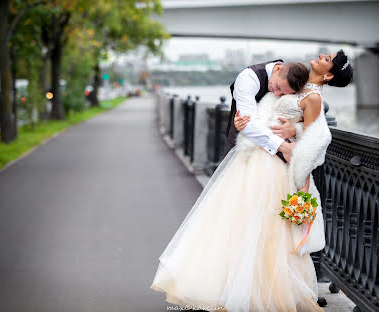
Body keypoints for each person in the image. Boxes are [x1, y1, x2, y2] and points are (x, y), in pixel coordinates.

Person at [150, 50, 353, 312]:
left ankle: (261, 291)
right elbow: (272, 109)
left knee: (267, 229)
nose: (323, 55)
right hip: (258, 156)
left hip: (276, 164)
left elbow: (317, 138)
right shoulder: (298, 80)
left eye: (328, 59)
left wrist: (296, 131)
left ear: (328, 74)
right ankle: (232, 287)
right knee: (240, 222)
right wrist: (245, 120)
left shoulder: (313, 96)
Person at [224, 60, 310, 162]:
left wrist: (295, 129)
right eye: (278, 87)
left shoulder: (298, 82)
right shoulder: (248, 78)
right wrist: (284, 147)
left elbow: (310, 118)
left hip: (281, 158)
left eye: (283, 93)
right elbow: (248, 124)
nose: (277, 94)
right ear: (278, 68)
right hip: (245, 146)